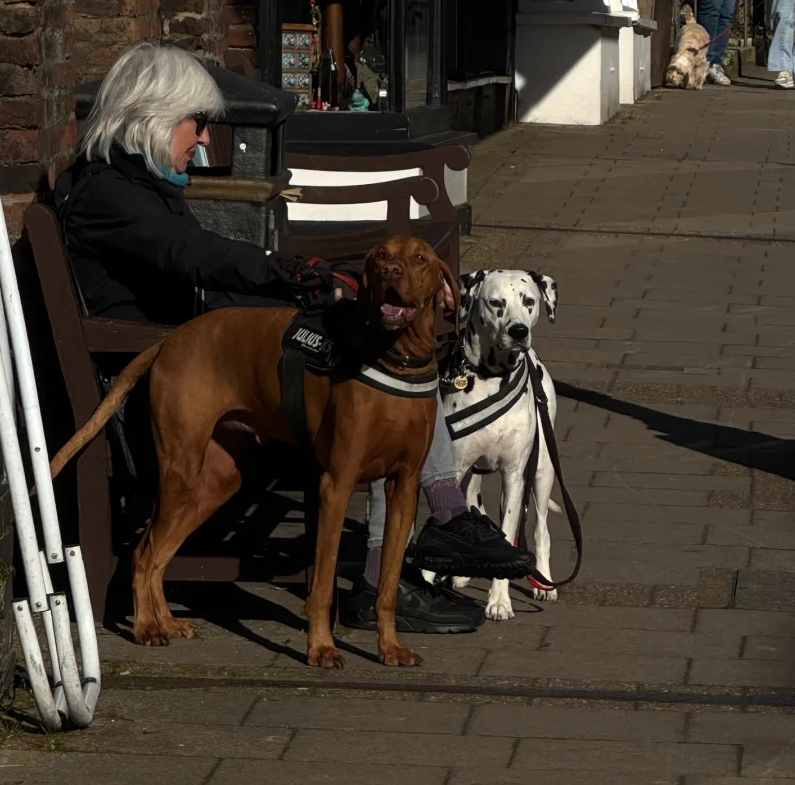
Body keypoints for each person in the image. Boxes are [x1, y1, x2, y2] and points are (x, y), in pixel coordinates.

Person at [54, 42, 532, 635]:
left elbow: (195, 266)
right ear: (152, 117)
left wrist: (306, 283)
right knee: (368, 372)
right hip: (170, 374)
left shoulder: (138, 187)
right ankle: (412, 549)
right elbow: (192, 255)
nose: (203, 139)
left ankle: (430, 529)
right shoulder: (112, 197)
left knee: (380, 353)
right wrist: (279, 270)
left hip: (208, 353)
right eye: (196, 123)